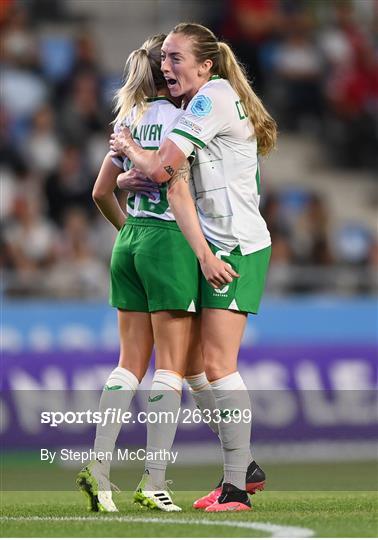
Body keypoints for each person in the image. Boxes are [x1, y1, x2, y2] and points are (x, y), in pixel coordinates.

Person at [110, 22, 276, 512]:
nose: (166, 66)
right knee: (196, 367)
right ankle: (242, 465)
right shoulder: (198, 106)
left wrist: (127, 151)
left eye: (176, 58)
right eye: (164, 58)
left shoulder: (212, 98)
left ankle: (237, 488)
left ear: (206, 65)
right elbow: (170, 182)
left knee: (220, 366)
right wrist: (129, 170)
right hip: (214, 245)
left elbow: (161, 170)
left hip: (236, 246)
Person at [76, 34, 207, 514]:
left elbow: (99, 192)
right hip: (169, 240)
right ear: (166, 73)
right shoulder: (183, 118)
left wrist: (127, 228)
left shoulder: (128, 118)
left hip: (129, 241)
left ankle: (99, 468)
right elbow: (167, 178)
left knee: (128, 364)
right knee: (169, 368)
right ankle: (154, 480)